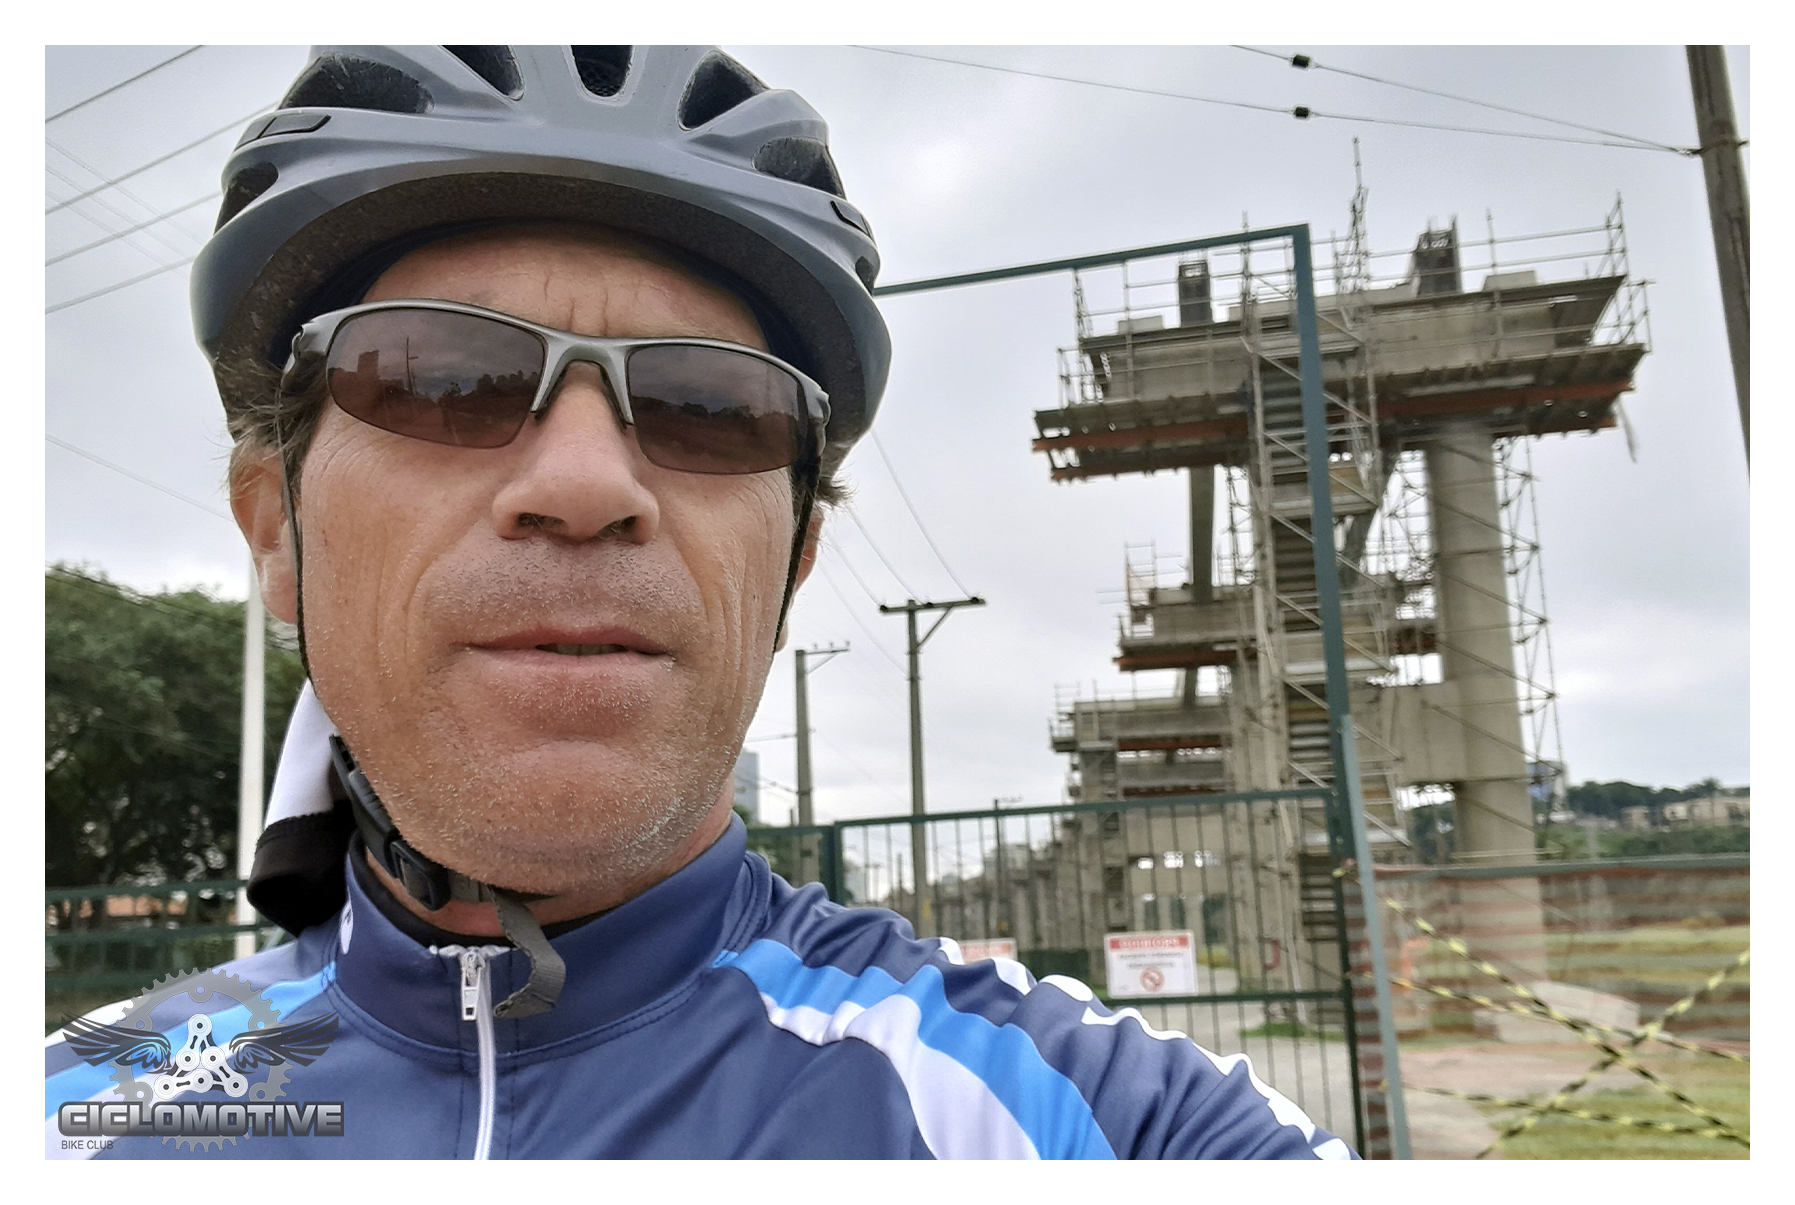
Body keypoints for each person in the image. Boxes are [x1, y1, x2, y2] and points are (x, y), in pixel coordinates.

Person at [45, 45, 1355, 1160]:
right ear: (275, 531)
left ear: (792, 562)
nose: (584, 484)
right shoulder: (69, 1118)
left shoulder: (1090, 1122)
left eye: (710, 406)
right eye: (443, 378)